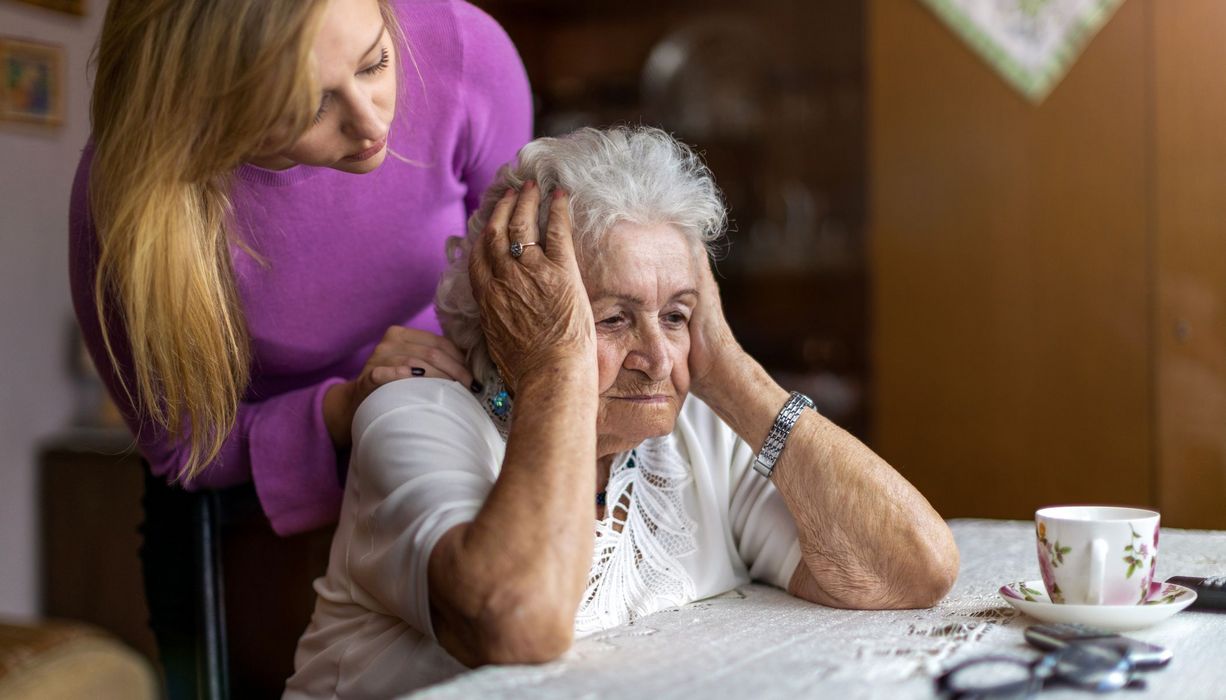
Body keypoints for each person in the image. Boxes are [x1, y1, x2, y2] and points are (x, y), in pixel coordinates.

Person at [283, 126, 960, 698]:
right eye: (611, 319)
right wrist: (556, 362)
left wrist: (732, 372)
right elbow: (517, 623)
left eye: (675, 315)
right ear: (513, 315)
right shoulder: (419, 416)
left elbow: (913, 569)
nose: (658, 358)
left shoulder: (695, 429)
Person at [69, 0, 532, 536]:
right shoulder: (127, 207)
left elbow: (513, 271)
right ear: (206, 113)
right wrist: (346, 404)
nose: (371, 122)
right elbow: (183, 449)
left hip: (453, 443)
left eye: (375, 63)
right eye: (308, 109)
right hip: (243, 514)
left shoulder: (462, 48)